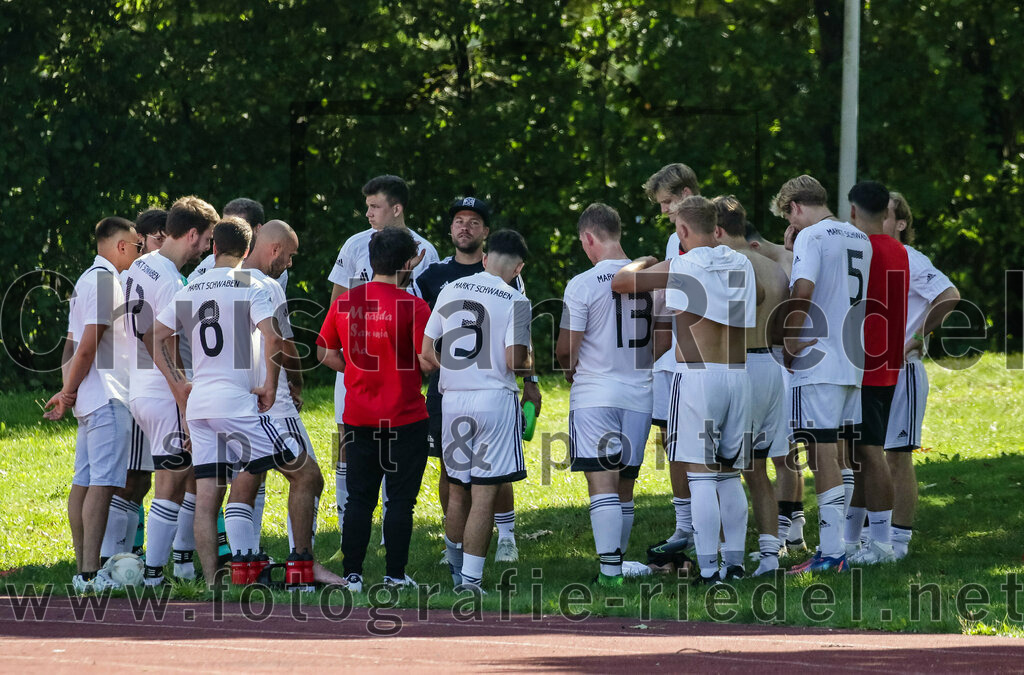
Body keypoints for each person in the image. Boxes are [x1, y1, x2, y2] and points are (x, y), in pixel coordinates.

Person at [153, 217, 341, 587]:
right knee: (306, 475)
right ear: (248, 247)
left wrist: (180, 384)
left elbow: (155, 336)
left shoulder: (191, 287)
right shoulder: (253, 283)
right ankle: (301, 568)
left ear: (213, 247)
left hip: (201, 404)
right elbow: (273, 339)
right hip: (239, 405)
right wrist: (270, 386)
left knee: (207, 496)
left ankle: (216, 581)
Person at [612, 195, 759, 584]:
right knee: (730, 475)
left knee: (701, 477)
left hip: (697, 374)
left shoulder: (680, 264)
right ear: (717, 227)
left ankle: (709, 568)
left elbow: (622, 280)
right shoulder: (742, 261)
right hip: (738, 373)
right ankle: (736, 563)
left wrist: (644, 260)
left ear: (681, 229)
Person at [414, 196, 539, 563]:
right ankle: (471, 578)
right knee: (487, 487)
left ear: (485, 257)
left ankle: (454, 562)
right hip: (493, 399)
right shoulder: (515, 298)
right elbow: (514, 359)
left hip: (452, 396)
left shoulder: (450, 289)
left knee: (456, 486)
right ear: (518, 268)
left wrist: (451, 368)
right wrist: (528, 366)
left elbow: (425, 350)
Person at [555, 203, 668, 586]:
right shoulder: (652, 280)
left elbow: (565, 349)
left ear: (589, 238)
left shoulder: (583, 283)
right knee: (625, 485)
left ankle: (609, 573)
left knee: (601, 482)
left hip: (595, 394)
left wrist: (569, 367)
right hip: (639, 393)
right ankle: (617, 564)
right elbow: (663, 342)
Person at [318, 226, 436, 590]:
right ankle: (395, 575)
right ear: (407, 262)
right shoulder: (414, 306)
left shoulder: (346, 302)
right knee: (400, 501)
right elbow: (427, 361)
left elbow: (324, 351)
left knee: (359, 498)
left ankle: (352, 573)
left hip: (358, 415)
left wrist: (351, 368)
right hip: (404, 416)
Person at [774, 175, 872, 574]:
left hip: (819, 360)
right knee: (841, 454)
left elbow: (802, 291)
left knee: (821, 454)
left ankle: (832, 553)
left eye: (788, 216)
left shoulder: (811, 236)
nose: (789, 226)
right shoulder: (859, 237)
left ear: (795, 207)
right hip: (852, 357)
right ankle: (840, 544)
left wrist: (791, 342)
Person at [122, 195, 218, 585]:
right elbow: (159, 342)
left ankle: (178, 563)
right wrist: (181, 394)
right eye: (206, 239)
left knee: (187, 474)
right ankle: (153, 573)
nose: (207, 248)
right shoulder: (175, 282)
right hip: (162, 390)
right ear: (192, 234)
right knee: (171, 481)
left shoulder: (140, 265)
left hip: (140, 387)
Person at [43, 216, 141, 593]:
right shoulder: (105, 281)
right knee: (101, 484)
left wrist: (69, 390)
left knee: (83, 483)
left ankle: (83, 570)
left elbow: (70, 346)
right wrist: (68, 393)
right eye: (136, 246)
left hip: (90, 396)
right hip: (108, 394)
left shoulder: (87, 280)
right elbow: (86, 345)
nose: (138, 252)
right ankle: (90, 572)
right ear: (120, 246)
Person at [712, 196, 790, 577]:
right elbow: (779, 325)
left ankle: (731, 559)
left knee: (726, 470)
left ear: (718, 230)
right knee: (759, 468)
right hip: (772, 367)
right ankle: (771, 554)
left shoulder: (728, 264)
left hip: (740, 367)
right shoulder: (776, 268)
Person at [881, 192, 959, 559]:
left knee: (897, 456)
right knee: (866, 456)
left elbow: (949, 294)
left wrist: (915, 337)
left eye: (887, 216)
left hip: (903, 373)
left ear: (901, 224)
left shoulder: (910, 258)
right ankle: (873, 536)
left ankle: (899, 543)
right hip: (868, 374)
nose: (878, 221)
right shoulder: (865, 259)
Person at [838, 181, 910, 565]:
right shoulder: (898, 249)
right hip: (886, 361)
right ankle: (852, 540)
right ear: (886, 213)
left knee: (869, 453)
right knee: (861, 457)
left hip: (865, 362)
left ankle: (881, 544)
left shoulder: (861, 249)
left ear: (852, 212)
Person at [240, 220, 317, 552]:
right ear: (274, 249)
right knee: (309, 478)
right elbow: (284, 344)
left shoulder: (218, 280)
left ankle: (244, 561)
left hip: (232, 398)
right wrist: (296, 384)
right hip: (272, 400)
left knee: (246, 479)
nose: (289, 263)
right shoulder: (267, 286)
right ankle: (301, 561)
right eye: (288, 256)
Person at [642, 163, 700, 546]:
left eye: (666, 202)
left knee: (720, 446)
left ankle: (779, 531)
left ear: (684, 195)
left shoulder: (718, 228)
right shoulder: (672, 242)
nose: (663, 211)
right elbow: (666, 306)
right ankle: (685, 526)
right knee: (673, 437)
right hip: (677, 356)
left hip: (715, 358)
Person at [746, 222, 807, 552]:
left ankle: (786, 531)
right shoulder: (786, 258)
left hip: (775, 359)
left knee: (780, 454)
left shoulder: (780, 261)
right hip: (778, 360)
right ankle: (793, 527)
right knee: (785, 453)